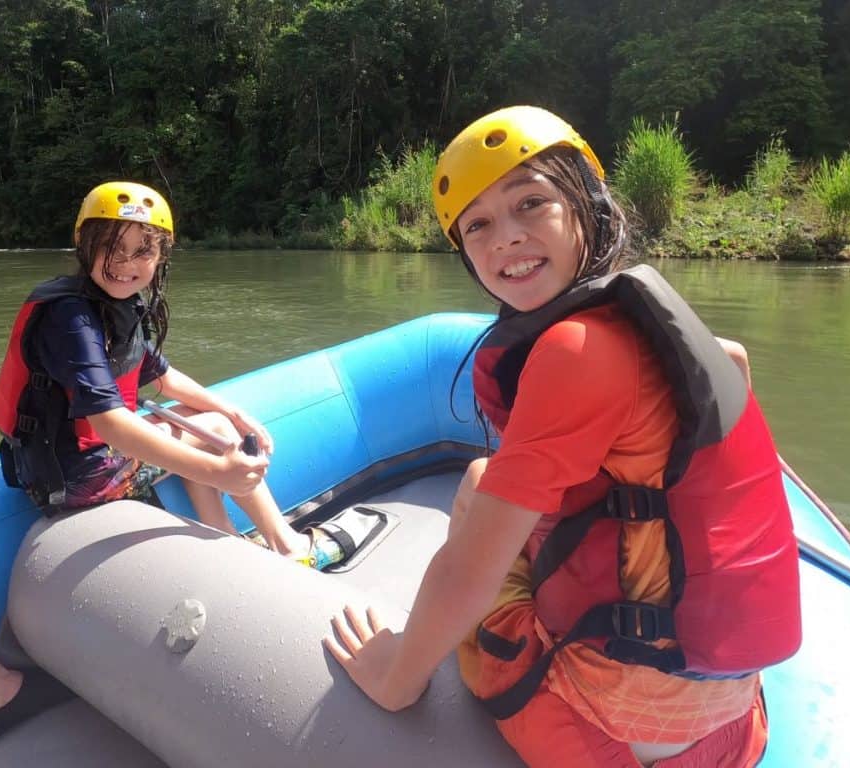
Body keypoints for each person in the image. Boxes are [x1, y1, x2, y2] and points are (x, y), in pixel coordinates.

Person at [325, 106, 801, 767]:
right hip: (726, 721)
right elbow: (735, 361)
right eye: (479, 225)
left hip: (603, 721)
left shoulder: (574, 349)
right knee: (481, 479)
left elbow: (471, 568)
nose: (505, 239)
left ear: (588, 206)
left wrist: (396, 676)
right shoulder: (642, 318)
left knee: (477, 505)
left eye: (531, 203)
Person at [0, 181, 310, 558]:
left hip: (74, 461)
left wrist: (234, 412)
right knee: (216, 432)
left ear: (160, 257)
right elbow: (110, 425)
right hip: (75, 479)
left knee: (215, 420)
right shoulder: (70, 317)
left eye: (143, 251)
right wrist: (218, 470)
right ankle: (289, 546)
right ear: (86, 246)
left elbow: (163, 377)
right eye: (112, 248)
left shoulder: (118, 304)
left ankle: (226, 539)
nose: (126, 264)